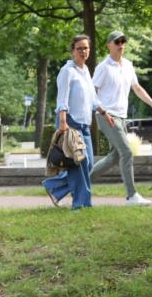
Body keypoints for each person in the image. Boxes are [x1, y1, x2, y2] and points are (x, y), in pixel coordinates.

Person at [91, 30, 152, 206]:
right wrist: (103, 112)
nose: (121, 45)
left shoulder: (127, 65)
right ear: (108, 45)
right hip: (106, 116)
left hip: (121, 117)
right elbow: (92, 93)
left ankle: (82, 184)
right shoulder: (103, 68)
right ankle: (132, 196)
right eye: (117, 42)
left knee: (114, 157)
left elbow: (137, 88)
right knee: (126, 152)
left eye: (123, 42)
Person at [43, 35, 115, 210]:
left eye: (86, 48)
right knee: (78, 163)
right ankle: (81, 203)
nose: (83, 51)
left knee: (88, 163)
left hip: (85, 124)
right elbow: (62, 98)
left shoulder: (86, 71)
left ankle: (53, 186)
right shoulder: (67, 71)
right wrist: (62, 121)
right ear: (72, 51)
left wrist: (104, 113)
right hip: (71, 122)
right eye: (80, 48)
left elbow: (92, 98)